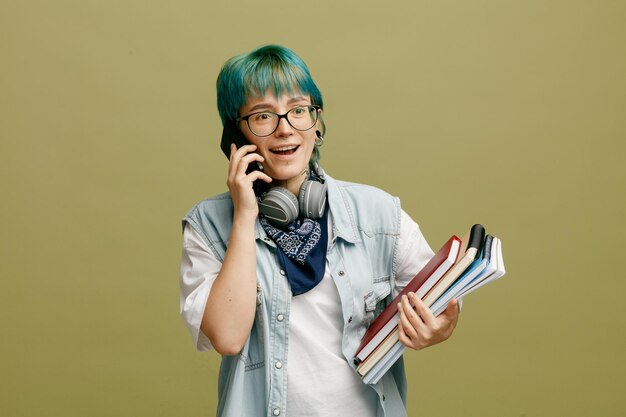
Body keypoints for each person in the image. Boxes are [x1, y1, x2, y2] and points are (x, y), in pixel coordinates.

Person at [179, 45, 460, 417]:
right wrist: (244, 217)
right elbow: (228, 338)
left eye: (298, 111)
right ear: (236, 133)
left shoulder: (378, 215)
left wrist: (440, 327)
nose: (285, 129)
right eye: (263, 116)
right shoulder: (208, 225)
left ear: (317, 122)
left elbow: (443, 302)